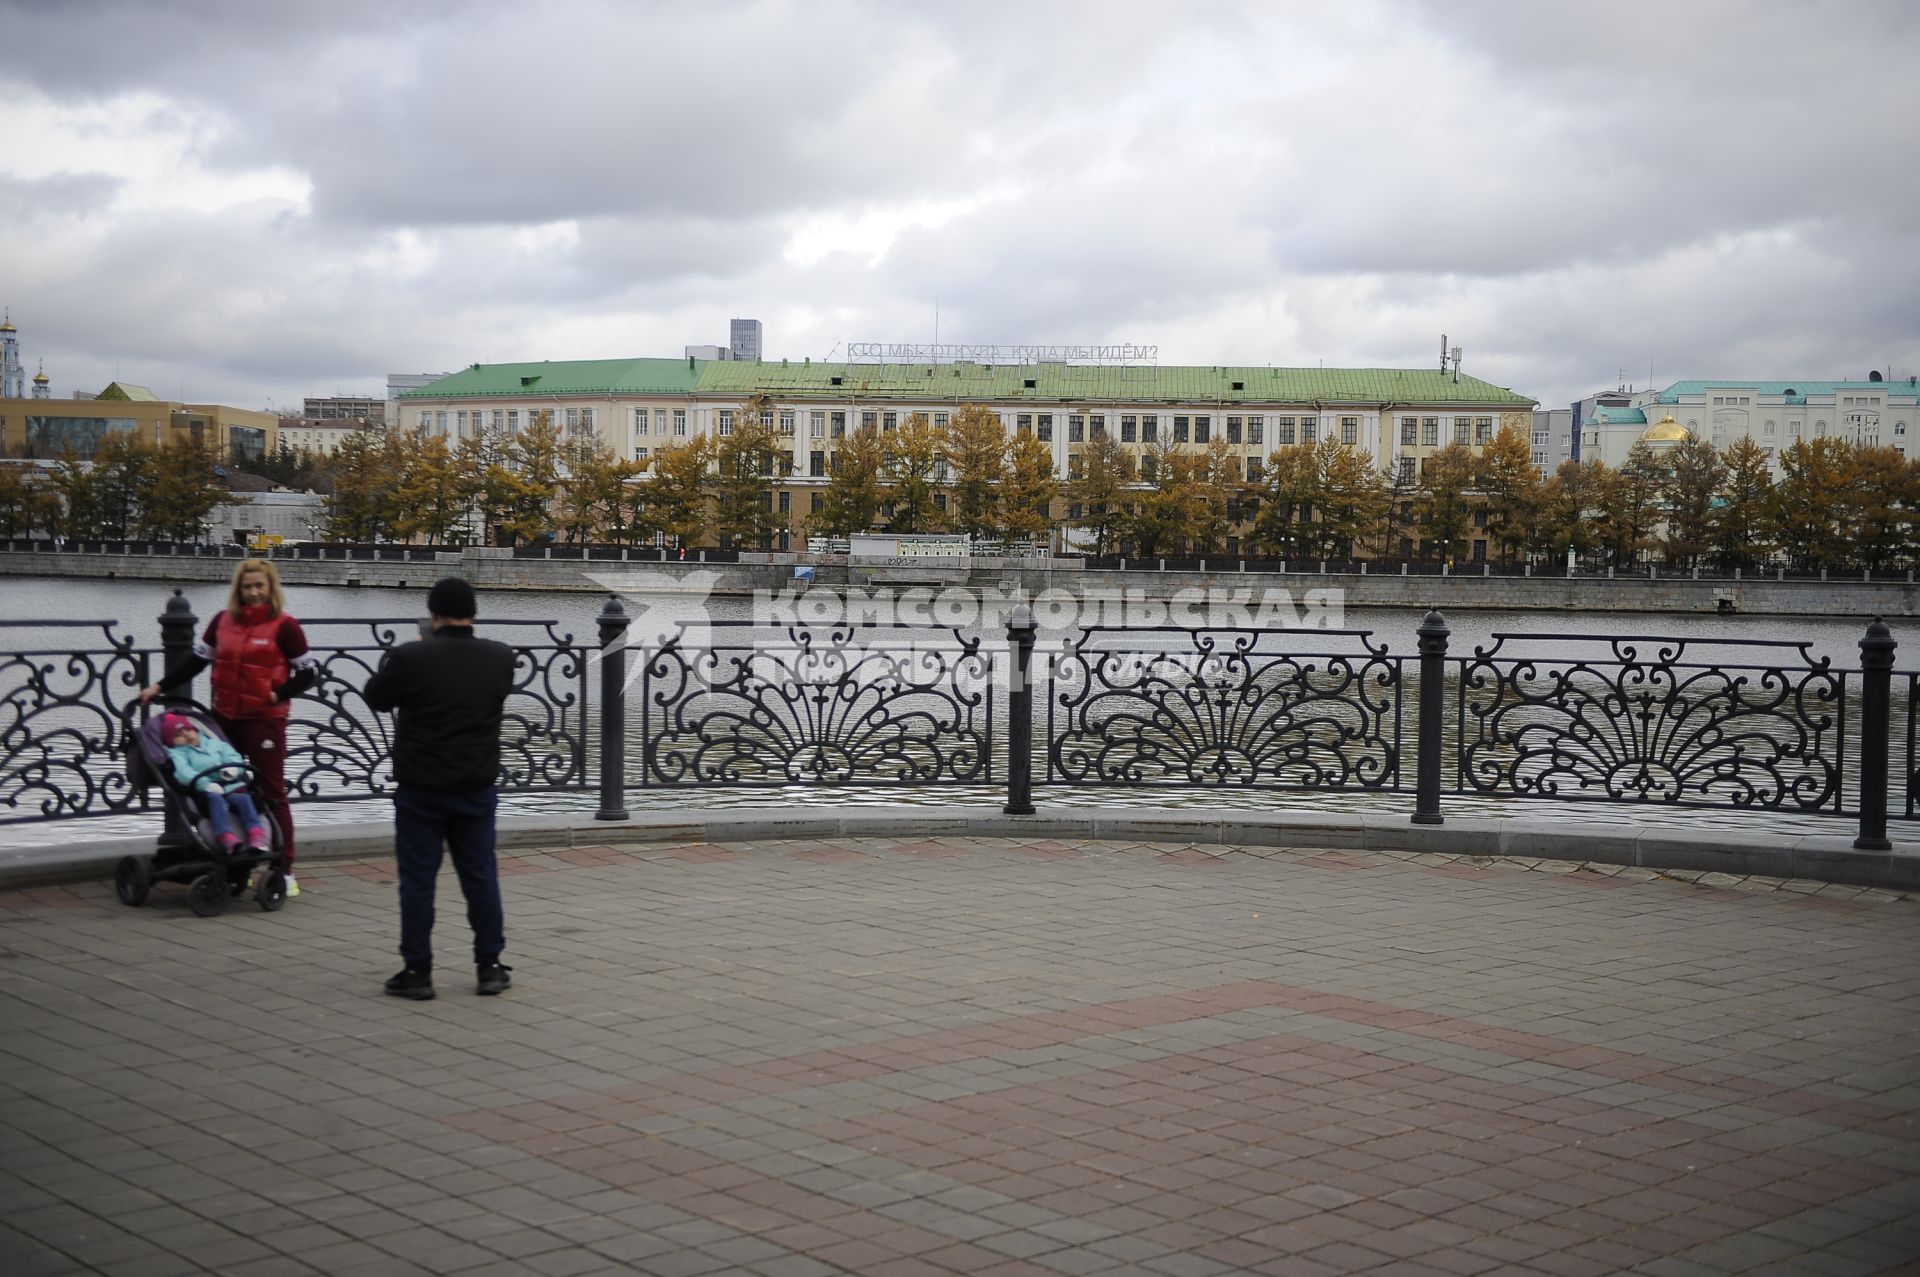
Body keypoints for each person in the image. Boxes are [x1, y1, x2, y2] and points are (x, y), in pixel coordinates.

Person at [363, 577, 517, 1001]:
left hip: (421, 788)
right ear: (473, 613)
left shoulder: (411, 657)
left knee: (417, 880)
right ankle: (489, 967)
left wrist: (414, 652)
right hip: (475, 785)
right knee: (481, 876)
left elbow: (376, 698)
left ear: (432, 614)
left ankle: (418, 971)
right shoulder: (501, 657)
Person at [140, 558, 317, 895]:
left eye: (259, 586)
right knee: (228, 789)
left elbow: (309, 673)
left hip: (265, 720)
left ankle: (285, 868)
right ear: (238, 589)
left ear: (270, 588)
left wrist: (277, 693)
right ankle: (237, 860)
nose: (252, 592)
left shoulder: (285, 626)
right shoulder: (221, 622)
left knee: (271, 791)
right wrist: (159, 687)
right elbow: (196, 661)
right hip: (223, 719)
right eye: (247, 587)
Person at [161, 714, 269, 854]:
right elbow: (183, 773)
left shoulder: (215, 744)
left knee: (244, 799)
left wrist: (233, 769)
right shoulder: (178, 754)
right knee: (216, 800)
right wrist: (204, 784)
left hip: (230, 783)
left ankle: (256, 835)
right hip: (206, 790)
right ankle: (225, 836)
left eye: (188, 730)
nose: (186, 735)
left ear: (196, 730)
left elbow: (233, 756)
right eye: (178, 735)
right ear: (172, 742)